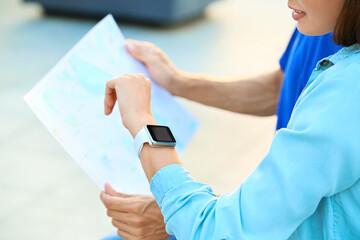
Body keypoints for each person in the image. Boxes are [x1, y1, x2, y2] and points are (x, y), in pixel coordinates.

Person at [101, 0, 360, 238]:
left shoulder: (346, 89)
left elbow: (219, 230)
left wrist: (141, 121)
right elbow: (282, 87)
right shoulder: (320, 17)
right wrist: (176, 82)